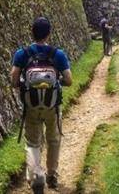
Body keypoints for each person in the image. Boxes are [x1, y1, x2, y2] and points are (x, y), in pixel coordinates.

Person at [10, 17, 73, 193]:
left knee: (33, 142)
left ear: (32, 32)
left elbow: (14, 79)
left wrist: (24, 84)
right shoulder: (57, 54)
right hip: (52, 106)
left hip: (31, 106)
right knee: (53, 139)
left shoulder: (22, 54)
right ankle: (52, 175)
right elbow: (69, 80)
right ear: (49, 33)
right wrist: (56, 81)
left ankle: (37, 175)